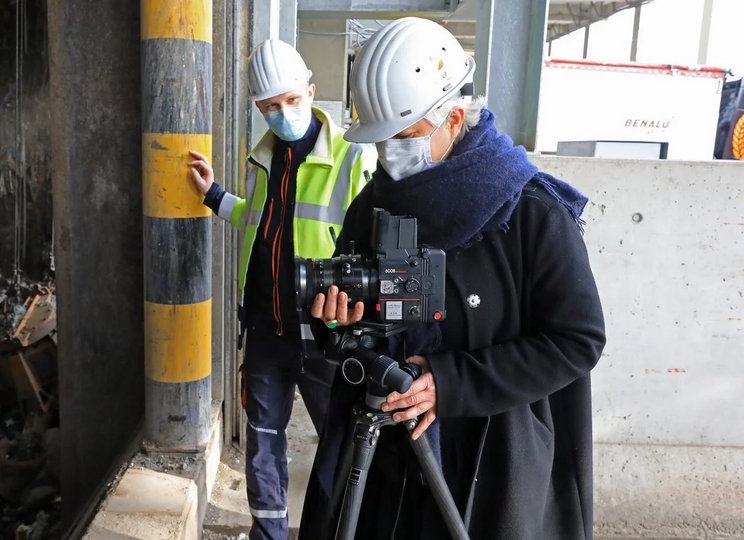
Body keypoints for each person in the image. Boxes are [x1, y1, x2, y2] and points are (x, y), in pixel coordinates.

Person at [299, 17, 607, 540]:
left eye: (406, 136)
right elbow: (356, 336)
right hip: (385, 468)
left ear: (454, 118)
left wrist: (451, 383)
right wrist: (336, 325)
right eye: (381, 141)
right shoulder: (371, 209)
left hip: (488, 470)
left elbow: (578, 340)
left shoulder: (529, 212)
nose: (390, 154)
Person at [188, 39, 376, 540]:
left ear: (311, 91)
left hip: (328, 333)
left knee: (342, 443)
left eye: (292, 100)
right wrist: (212, 195)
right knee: (263, 441)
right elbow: (258, 222)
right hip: (268, 329)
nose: (283, 112)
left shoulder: (354, 158)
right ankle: (268, 535)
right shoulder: (262, 160)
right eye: (271, 106)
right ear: (258, 108)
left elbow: (376, 247)